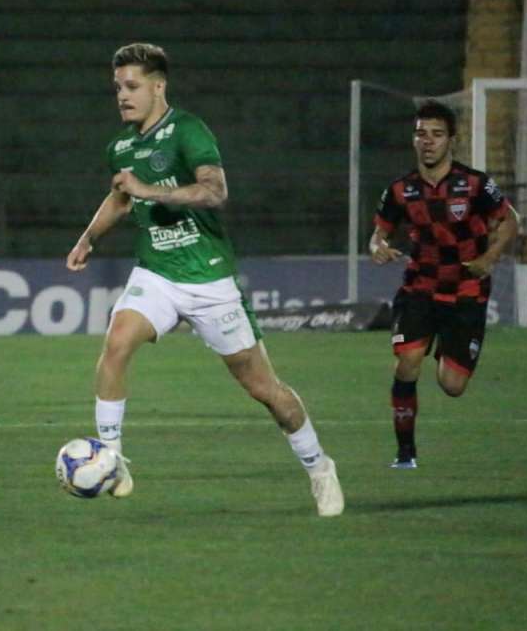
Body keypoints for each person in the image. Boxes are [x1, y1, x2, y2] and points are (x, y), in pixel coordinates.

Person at [65, 42, 344, 516]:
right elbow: (121, 197)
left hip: (209, 280)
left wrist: (148, 189)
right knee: (116, 344)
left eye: (132, 86)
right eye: (117, 87)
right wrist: (89, 238)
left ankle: (320, 467)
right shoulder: (121, 145)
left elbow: (215, 192)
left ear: (158, 86)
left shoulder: (189, 130)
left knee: (265, 390)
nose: (122, 96)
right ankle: (112, 458)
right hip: (156, 274)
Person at [369, 100, 517, 469]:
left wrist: (489, 258)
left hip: (466, 291)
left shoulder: (476, 184)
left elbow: (510, 220)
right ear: (414, 140)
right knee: (406, 364)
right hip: (420, 287)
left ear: (452, 139)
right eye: (421, 134)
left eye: (436, 134)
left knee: (452, 385)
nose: (428, 141)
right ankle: (405, 454)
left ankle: (446, 347)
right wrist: (378, 248)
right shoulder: (401, 190)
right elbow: (378, 234)